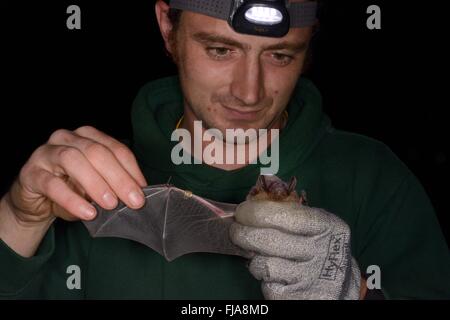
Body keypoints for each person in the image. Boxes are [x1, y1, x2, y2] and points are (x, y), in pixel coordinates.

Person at [1, 0, 449, 299]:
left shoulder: (373, 178)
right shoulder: (92, 184)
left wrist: (356, 293)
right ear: (166, 27)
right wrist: (19, 221)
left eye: (280, 56)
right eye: (220, 49)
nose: (249, 93)